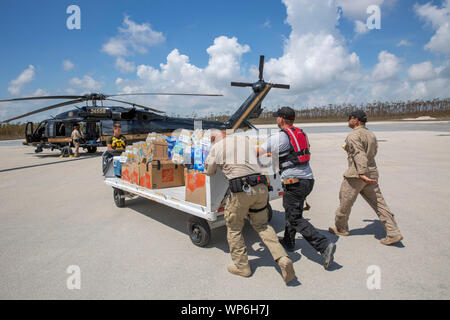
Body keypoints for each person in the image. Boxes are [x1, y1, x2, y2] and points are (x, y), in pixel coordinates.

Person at [205, 130, 296, 284]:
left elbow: (209, 171)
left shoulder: (217, 147)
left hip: (241, 191)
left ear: (214, 139)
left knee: (234, 228)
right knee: (262, 226)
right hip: (261, 187)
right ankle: (282, 258)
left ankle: (242, 267)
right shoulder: (245, 141)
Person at [256, 107, 336, 270]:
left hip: (294, 183)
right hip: (307, 180)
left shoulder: (278, 137)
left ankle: (323, 246)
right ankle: (289, 240)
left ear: (282, 119)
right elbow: (293, 153)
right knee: (292, 211)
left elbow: (257, 151)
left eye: (277, 117)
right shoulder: (301, 133)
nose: (276, 119)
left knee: (294, 218)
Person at [329, 110, 403, 245]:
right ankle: (393, 232)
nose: (348, 121)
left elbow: (359, 154)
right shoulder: (370, 134)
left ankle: (341, 228)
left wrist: (361, 174)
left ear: (356, 120)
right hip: (372, 172)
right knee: (380, 204)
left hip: (356, 175)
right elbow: (369, 152)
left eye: (349, 118)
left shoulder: (353, 135)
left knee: (345, 202)